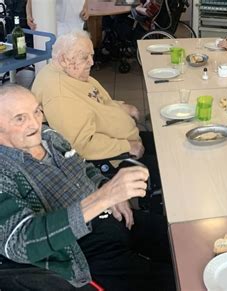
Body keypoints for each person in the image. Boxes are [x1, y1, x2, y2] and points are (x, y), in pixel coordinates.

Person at [0, 85, 175, 290]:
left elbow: (83, 167)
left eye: (37, 111)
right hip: (82, 251)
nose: (35, 123)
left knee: (184, 241)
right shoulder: (4, 171)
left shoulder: (49, 136)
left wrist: (106, 187)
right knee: (179, 281)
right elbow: (21, 243)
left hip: (115, 218)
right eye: (20, 118)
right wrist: (104, 197)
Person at [31, 30, 160, 190]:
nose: (92, 62)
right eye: (85, 57)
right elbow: (82, 145)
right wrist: (127, 146)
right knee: (168, 166)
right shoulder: (60, 96)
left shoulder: (71, 73)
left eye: (91, 55)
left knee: (166, 144)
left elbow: (99, 100)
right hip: (115, 156)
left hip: (123, 138)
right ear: (64, 59)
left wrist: (121, 107)